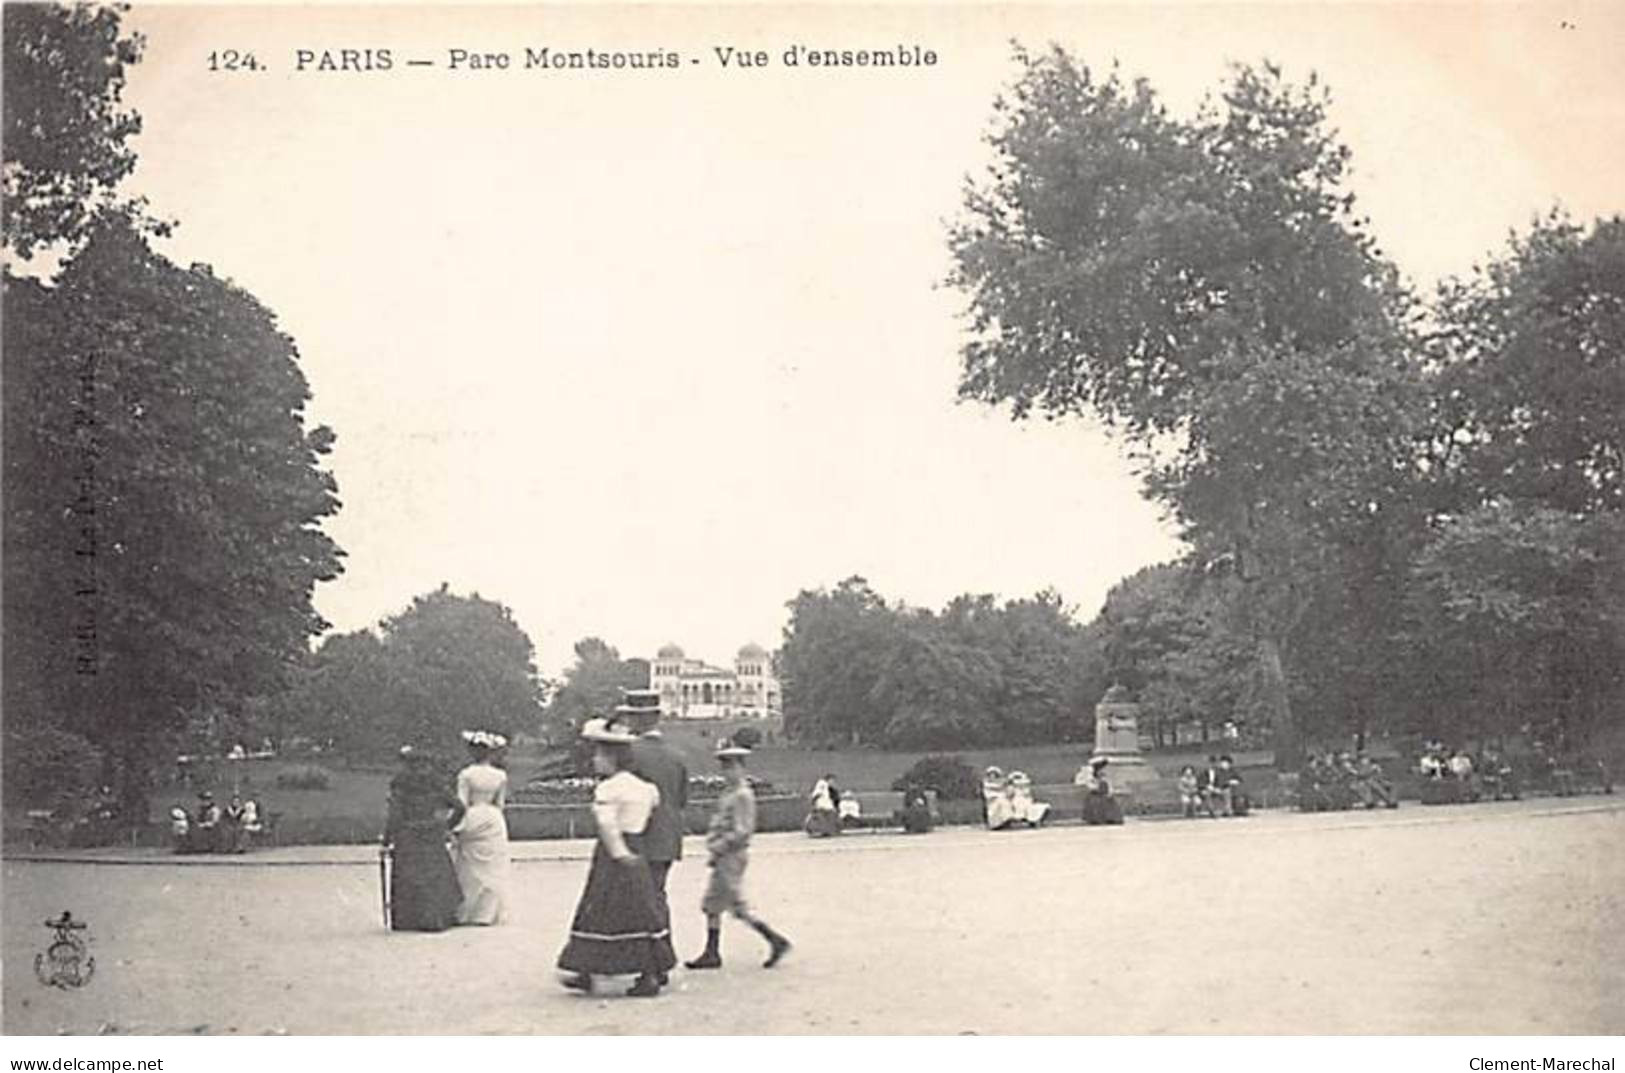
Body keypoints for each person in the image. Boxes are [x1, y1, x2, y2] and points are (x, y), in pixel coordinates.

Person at [557, 718, 677, 997]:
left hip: (614, 855)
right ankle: (645, 971)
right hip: (640, 848)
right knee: (641, 910)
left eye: (599, 754)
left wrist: (619, 852)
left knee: (599, 909)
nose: (596, 760)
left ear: (612, 757)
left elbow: (608, 825)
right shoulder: (646, 788)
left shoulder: (608, 789)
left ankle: (590, 969)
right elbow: (651, 816)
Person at [683, 737, 792, 971]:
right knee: (715, 903)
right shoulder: (730, 793)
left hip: (731, 855)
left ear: (742, 768)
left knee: (732, 905)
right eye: (725, 767)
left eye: (732, 766)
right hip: (724, 856)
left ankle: (773, 940)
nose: (727, 772)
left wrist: (720, 846)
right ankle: (713, 951)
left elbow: (742, 830)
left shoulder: (742, 795)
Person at [622, 688, 688, 971]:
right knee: (658, 897)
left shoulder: (629, 753)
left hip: (639, 836)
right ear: (658, 717)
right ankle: (662, 957)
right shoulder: (677, 756)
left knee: (637, 901)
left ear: (634, 719)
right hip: (668, 837)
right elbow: (682, 800)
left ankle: (648, 963)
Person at [382, 746, 466, 933]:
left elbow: (394, 814)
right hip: (431, 832)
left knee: (409, 876)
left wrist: (387, 839)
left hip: (408, 833)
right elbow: (460, 807)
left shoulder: (401, 783)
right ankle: (436, 918)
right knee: (433, 876)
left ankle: (408, 919)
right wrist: (445, 826)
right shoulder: (436, 783)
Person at [453, 729, 512, 925]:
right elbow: (500, 804)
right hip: (492, 818)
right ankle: (486, 914)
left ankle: (468, 912)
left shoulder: (466, 774)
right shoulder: (500, 775)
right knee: (493, 866)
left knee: (469, 866)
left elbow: (462, 802)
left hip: (472, 815)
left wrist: (456, 826)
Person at [1077, 758, 1124, 825]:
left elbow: (1109, 785)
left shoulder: (1103, 775)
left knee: (1110, 802)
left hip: (1105, 795)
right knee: (1095, 802)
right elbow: (1087, 785)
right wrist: (1095, 786)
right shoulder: (1087, 774)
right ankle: (1096, 819)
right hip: (1095, 795)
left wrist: (1110, 791)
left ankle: (1111, 818)